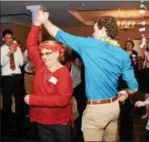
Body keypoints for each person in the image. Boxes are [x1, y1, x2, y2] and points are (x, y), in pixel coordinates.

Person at [36, 10, 138, 141]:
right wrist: (126, 92)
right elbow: (133, 87)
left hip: (96, 110)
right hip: (114, 108)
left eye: (94, 30)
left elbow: (60, 35)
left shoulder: (90, 44)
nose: (92, 33)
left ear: (103, 30)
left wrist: (44, 21)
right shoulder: (123, 54)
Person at [24, 21, 73, 142]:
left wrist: (34, 100)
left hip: (59, 122)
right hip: (41, 120)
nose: (44, 57)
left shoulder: (63, 73)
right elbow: (31, 44)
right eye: (42, 54)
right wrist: (36, 24)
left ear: (57, 53)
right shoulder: (40, 65)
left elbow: (62, 100)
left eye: (48, 53)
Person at [0, 29, 25, 139]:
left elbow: (20, 63)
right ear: (3, 39)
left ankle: (20, 125)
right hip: (6, 78)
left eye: (11, 38)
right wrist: (9, 53)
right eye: (7, 38)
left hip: (17, 76)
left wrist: (19, 54)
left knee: (19, 101)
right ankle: (7, 125)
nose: (9, 40)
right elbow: (1, 63)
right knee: (7, 101)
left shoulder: (18, 48)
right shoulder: (1, 50)